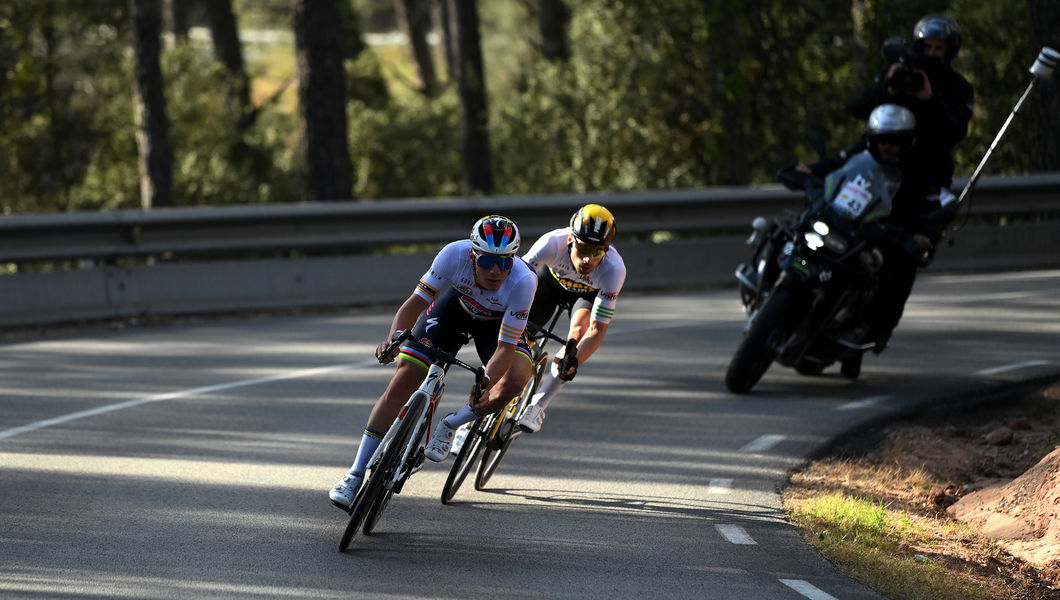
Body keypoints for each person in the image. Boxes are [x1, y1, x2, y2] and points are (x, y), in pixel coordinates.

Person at [328, 215, 537, 510]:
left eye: (504, 262)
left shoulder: (524, 281)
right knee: (402, 381)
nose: (495, 270)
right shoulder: (453, 254)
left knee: (515, 379)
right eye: (488, 260)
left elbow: (504, 346)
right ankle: (355, 474)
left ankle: (452, 423)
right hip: (453, 310)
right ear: (472, 254)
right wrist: (393, 341)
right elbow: (414, 304)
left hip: (496, 327)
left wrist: (484, 383)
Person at [844, 13, 974, 350]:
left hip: (922, 181)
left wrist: (930, 99)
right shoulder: (901, 75)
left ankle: (877, 328)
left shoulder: (958, 88)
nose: (932, 54)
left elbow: (956, 131)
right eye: (926, 47)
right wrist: (884, 86)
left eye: (939, 48)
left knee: (905, 254)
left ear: (950, 52)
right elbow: (857, 108)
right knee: (824, 206)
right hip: (875, 168)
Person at [513, 203, 627, 434]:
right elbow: (517, 280)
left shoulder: (614, 269)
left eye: (597, 252)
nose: (587, 259)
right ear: (571, 240)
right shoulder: (552, 242)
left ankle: (538, 406)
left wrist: (574, 360)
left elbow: (597, 329)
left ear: (607, 249)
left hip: (585, 296)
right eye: (583, 249)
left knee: (577, 336)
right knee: (518, 333)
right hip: (549, 285)